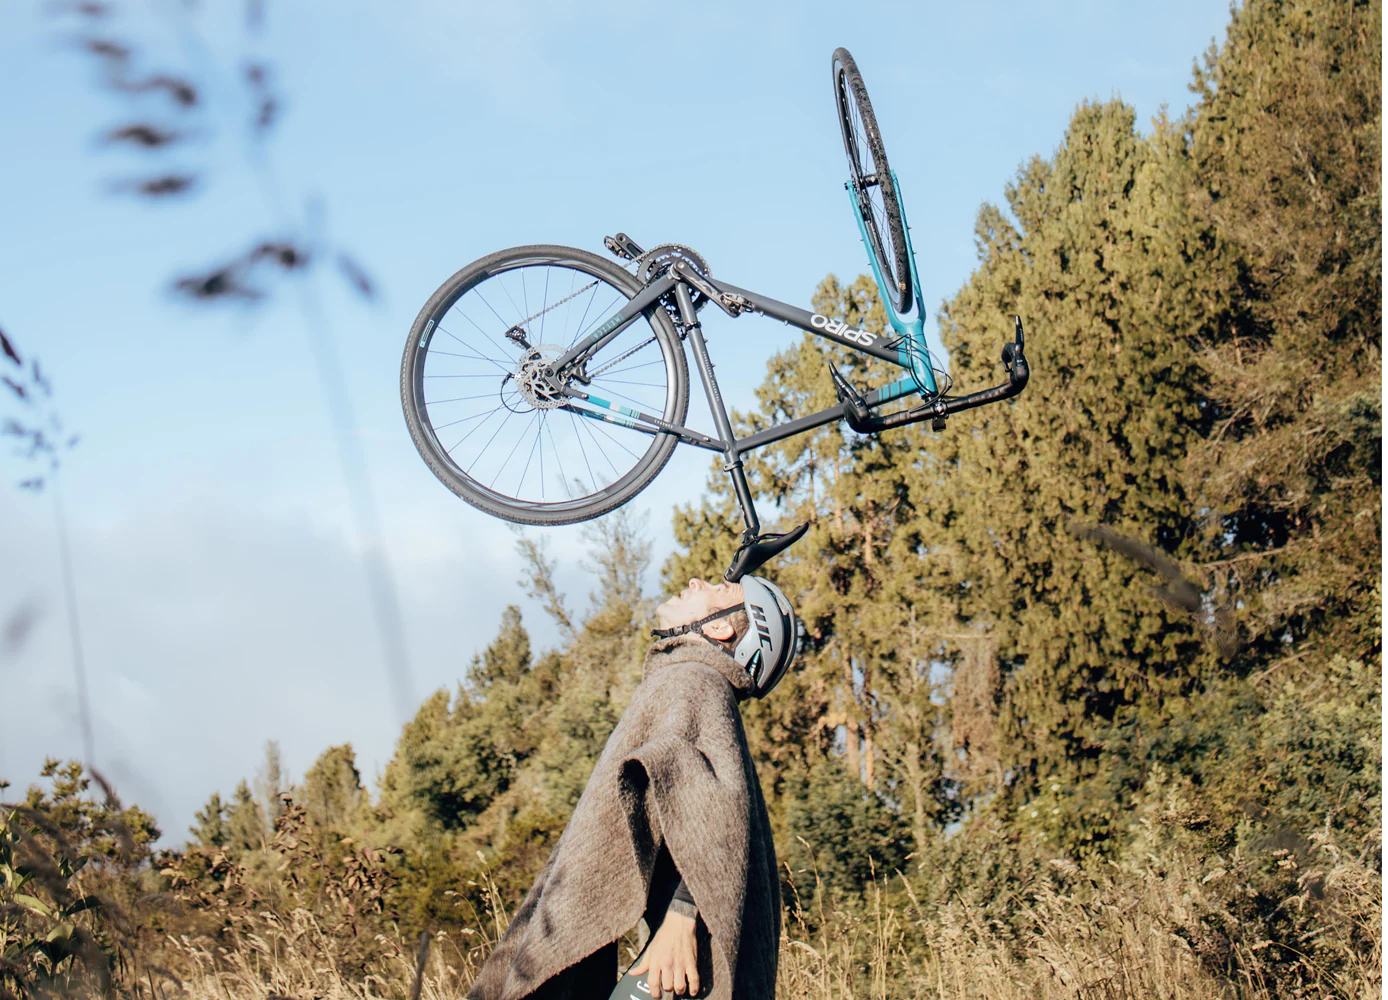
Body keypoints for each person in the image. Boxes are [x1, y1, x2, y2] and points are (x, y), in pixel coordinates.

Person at [466, 576, 800, 1000]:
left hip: (680, 959)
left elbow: (718, 817)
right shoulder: (686, 682)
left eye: (716, 588)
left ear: (720, 629)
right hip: (679, 957)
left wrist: (680, 921)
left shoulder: (694, 682)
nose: (696, 580)